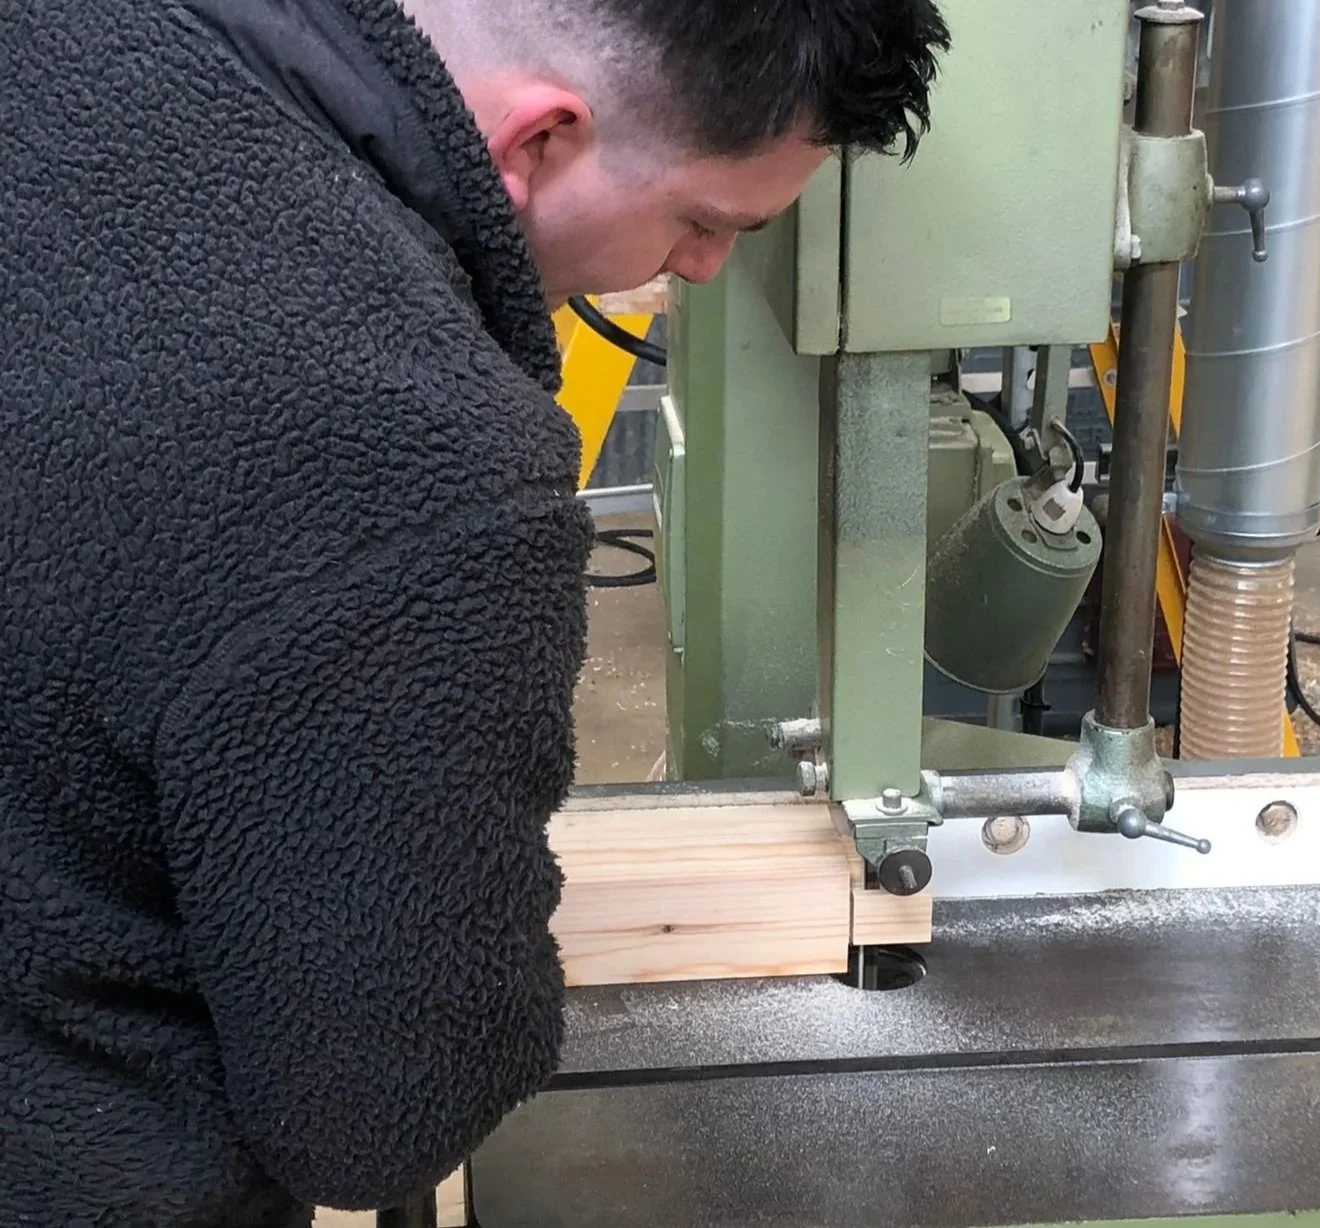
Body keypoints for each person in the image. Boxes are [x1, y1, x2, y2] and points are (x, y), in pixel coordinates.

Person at [0, 0, 949, 1224]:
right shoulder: (416, 465)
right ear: (543, 137)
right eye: (702, 220)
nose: (704, 268)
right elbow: (376, 1117)